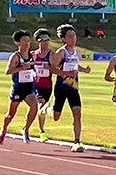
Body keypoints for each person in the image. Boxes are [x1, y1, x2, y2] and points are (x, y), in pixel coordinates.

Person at [50, 24, 91, 152]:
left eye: (74, 35)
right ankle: (46, 109)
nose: (73, 38)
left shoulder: (76, 51)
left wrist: (84, 69)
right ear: (64, 39)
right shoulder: (61, 52)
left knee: (77, 114)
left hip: (73, 88)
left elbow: (75, 66)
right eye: (70, 36)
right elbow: (52, 68)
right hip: (61, 88)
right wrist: (65, 74)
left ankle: (77, 142)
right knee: (56, 116)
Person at [0, 30, 38, 145]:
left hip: (29, 87)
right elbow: (8, 71)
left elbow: (32, 69)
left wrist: (35, 75)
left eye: (28, 41)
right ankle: (4, 128)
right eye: (24, 41)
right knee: (11, 114)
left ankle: (26, 129)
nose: (27, 44)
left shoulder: (32, 56)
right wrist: (21, 68)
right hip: (18, 88)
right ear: (17, 43)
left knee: (34, 107)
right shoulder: (15, 56)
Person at [32, 28, 53, 142]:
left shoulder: (51, 54)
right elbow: (30, 68)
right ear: (38, 41)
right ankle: (42, 131)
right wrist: (34, 74)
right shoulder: (33, 54)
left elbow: (56, 69)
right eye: (43, 39)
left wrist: (49, 68)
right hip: (35, 85)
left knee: (39, 108)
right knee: (41, 104)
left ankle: (40, 130)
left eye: (47, 40)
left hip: (47, 85)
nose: (45, 42)